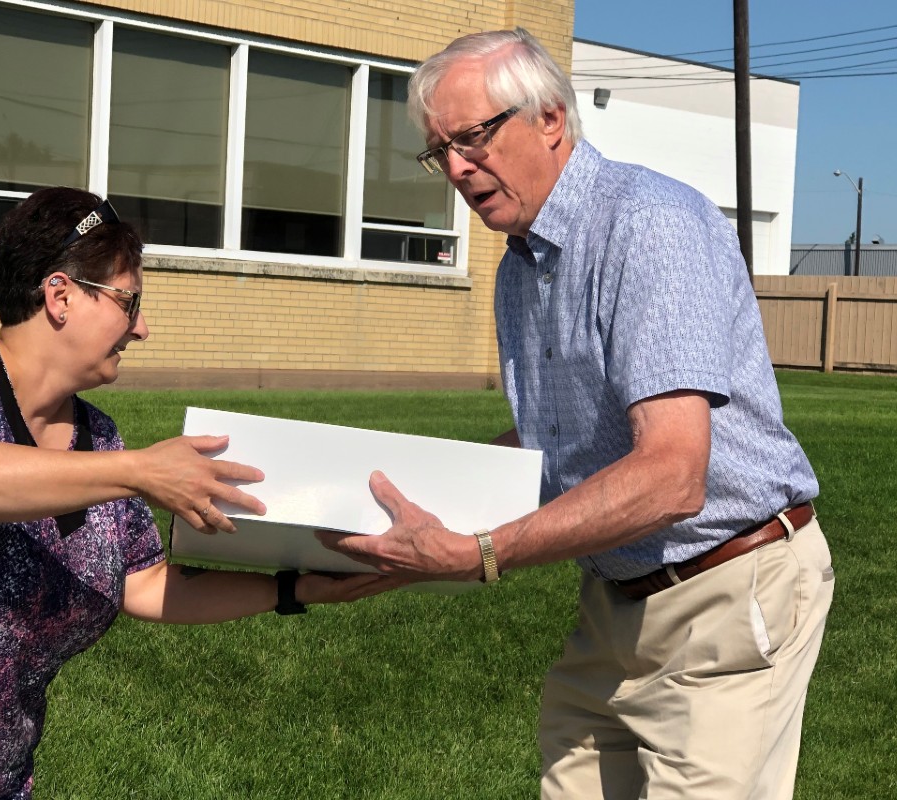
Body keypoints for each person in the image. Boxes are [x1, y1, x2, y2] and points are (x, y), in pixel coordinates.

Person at [319, 29, 834, 799]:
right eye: (441, 151)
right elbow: (548, 445)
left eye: (473, 138)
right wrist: (406, 505)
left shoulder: (649, 225)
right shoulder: (519, 266)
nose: (458, 169)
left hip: (726, 590)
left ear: (551, 118)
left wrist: (482, 552)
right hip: (614, 604)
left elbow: (671, 476)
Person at [0, 187, 398, 798]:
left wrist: (295, 588)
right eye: (129, 302)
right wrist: (140, 473)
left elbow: (140, 584)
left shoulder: (101, 440)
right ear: (60, 295)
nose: (141, 329)